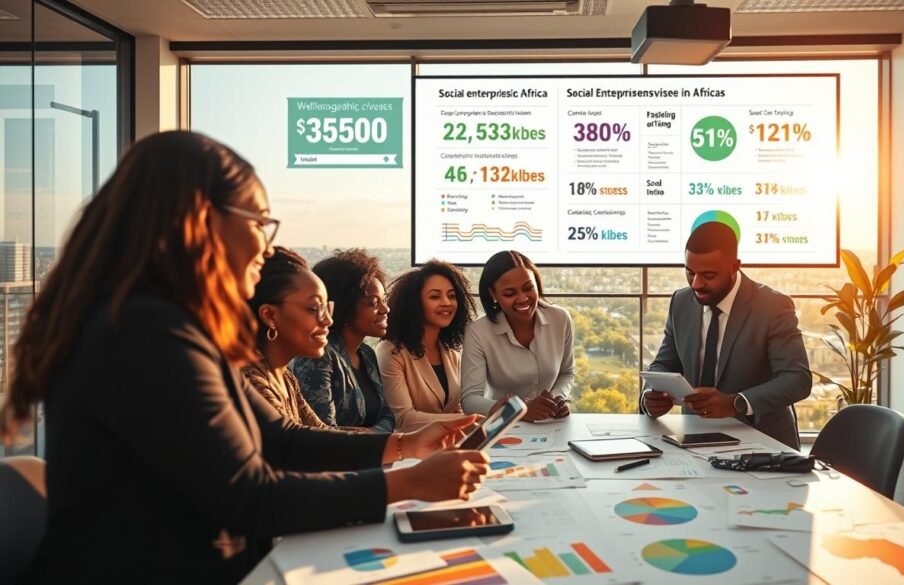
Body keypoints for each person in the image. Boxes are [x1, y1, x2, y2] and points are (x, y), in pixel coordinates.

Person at [0, 131, 488, 584]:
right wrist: (407, 485)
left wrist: (408, 447)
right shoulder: (144, 333)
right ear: (201, 220)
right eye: (259, 222)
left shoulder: (161, 324)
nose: (267, 243)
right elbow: (249, 497)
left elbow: (282, 439)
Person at [640, 220, 812, 449]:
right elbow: (664, 364)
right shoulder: (680, 302)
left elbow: (798, 379)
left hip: (763, 446)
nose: (697, 284)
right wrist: (651, 396)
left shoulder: (773, 306)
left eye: (709, 275)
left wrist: (736, 403)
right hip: (692, 441)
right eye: (690, 273)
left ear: (734, 267)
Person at [242, 246, 359, 430]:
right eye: (314, 309)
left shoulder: (285, 378)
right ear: (270, 316)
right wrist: (402, 445)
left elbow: (321, 434)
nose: (327, 320)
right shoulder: (252, 381)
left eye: (326, 308)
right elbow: (294, 444)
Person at [461, 250, 574, 421]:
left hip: (551, 423)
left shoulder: (560, 319)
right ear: (493, 294)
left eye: (528, 288)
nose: (522, 299)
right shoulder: (478, 332)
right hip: (503, 426)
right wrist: (517, 410)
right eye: (510, 293)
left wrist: (557, 398)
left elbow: (566, 373)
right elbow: (470, 400)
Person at [291, 249, 396, 432]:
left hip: (373, 455)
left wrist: (372, 433)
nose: (385, 309)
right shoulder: (317, 357)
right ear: (344, 307)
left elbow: (388, 416)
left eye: (384, 300)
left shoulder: (366, 353)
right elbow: (323, 431)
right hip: (335, 459)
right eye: (372, 303)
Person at [377, 260, 475, 431]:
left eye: (452, 296)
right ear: (414, 304)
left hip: (448, 444)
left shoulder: (451, 350)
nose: (446, 302)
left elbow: (454, 408)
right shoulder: (391, 352)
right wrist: (469, 419)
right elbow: (403, 419)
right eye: (435, 296)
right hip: (409, 451)